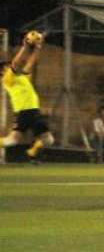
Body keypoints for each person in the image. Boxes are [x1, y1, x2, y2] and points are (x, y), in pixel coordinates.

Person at [0, 31, 55, 163]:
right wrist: (25, 46)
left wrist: (37, 47)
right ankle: (30, 153)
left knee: (48, 140)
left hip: (33, 112)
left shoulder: (22, 77)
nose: (9, 66)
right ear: (2, 71)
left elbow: (30, 62)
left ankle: (31, 153)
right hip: (24, 112)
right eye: (6, 66)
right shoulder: (7, 79)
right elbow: (17, 62)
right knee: (12, 141)